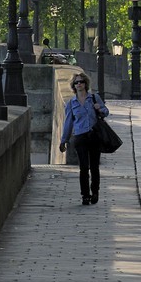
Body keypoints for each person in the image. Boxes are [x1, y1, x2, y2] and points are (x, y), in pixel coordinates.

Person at [59, 71, 109, 206]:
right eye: (76, 82)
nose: (79, 84)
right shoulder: (71, 103)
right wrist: (64, 140)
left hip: (94, 136)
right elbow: (68, 122)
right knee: (83, 167)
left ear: (86, 84)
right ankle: (85, 195)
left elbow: (106, 112)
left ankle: (95, 192)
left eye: (81, 82)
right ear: (73, 86)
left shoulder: (94, 98)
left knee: (94, 167)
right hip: (80, 137)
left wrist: (100, 108)